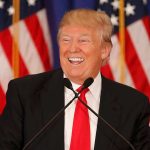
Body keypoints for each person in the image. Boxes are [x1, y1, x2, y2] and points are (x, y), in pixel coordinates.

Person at [0, 9, 150, 150]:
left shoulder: (133, 105)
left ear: (104, 50)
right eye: (66, 40)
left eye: (83, 41)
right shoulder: (25, 94)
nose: (72, 49)